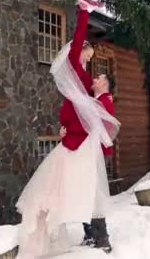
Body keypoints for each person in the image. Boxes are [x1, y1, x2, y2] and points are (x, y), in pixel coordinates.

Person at [15, 0, 120, 258]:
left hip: (81, 142)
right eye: (89, 51)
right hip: (76, 141)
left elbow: (94, 115)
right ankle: (90, 232)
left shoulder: (87, 84)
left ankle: (99, 235)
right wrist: (84, 12)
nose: (90, 54)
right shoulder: (79, 74)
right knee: (77, 184)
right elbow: (76, 45)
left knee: (87, 185)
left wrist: (71, 127)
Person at [61, 74, 116, 252]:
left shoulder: (105, 101)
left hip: (95, 154)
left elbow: (91, 125)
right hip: (90, 152)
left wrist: (69, 131)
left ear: (105, 84)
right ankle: (91, 233)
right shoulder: (98, 100)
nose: (94, 79)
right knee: (88, 192)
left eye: (99, 78)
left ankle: (101, 238)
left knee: (94, 195)